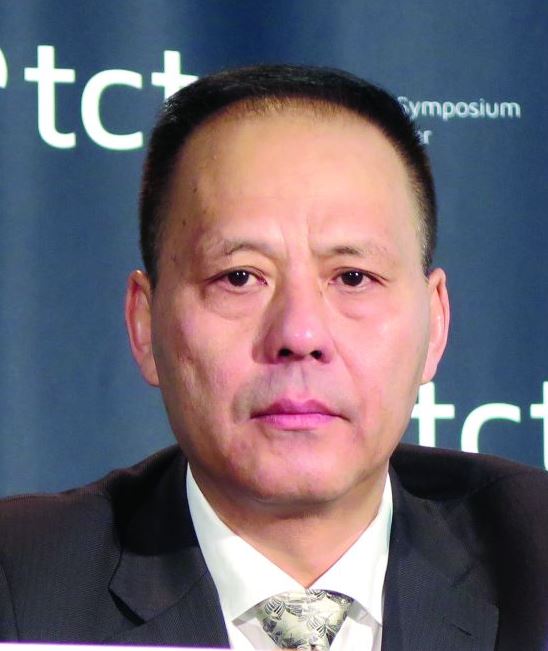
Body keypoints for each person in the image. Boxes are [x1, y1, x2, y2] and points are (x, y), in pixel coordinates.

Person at [0, 64, 546, 651]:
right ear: (144, 324)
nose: (300, 333)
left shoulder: (533, 556)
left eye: (353, 277)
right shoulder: (22, 585)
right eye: (239, 277)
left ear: (435, 325)